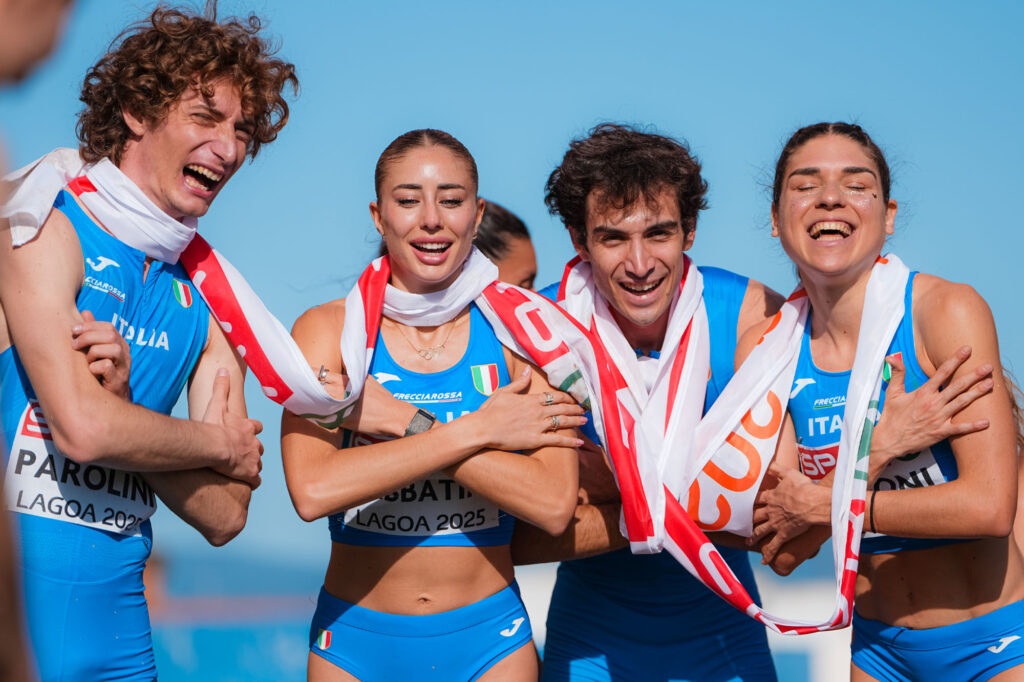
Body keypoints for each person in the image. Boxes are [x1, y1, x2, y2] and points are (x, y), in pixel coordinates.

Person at [0, 6, 296, 679]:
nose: (228, 148)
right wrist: (217, 446)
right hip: (13, 635)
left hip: (121, 649)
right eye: (205, 118)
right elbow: (82, 429)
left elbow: (225, 515)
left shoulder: (210, 299)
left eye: (241, 130)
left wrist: (132, 411)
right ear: (137, 112)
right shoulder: (42, 225)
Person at [281, 128, 585, 681]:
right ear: (378, 216)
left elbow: (551, 503)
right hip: (354, 643)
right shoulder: (328, 332)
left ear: (476, 213)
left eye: (450, 200)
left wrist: (401, 421)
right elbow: (313, 490)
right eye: (407, 200)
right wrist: (476, 430)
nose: (430, 220)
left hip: (490, 644)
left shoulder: (526, 334)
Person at [749, 122, 1024, 680]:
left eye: (856, 184)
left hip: (992, 645)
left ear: (888, 215)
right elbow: (784, 552)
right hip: (877, 652)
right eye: (806, 185)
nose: (830, 197)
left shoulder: (942, 311)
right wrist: (875, 453)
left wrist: (829, 502)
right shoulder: (770, 348)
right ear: (776, 219)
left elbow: (991, 507)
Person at [514, 123, 782, 681]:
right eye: (613, 238)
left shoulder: (751, 313)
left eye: (658, 234)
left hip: (724, 641)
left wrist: (612, 483)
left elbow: (784, 525)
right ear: (578, 240)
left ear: (689, 231)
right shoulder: (540, 332)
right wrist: (692, 488)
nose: (639, 264)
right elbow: (517, 538)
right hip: (590, 647)